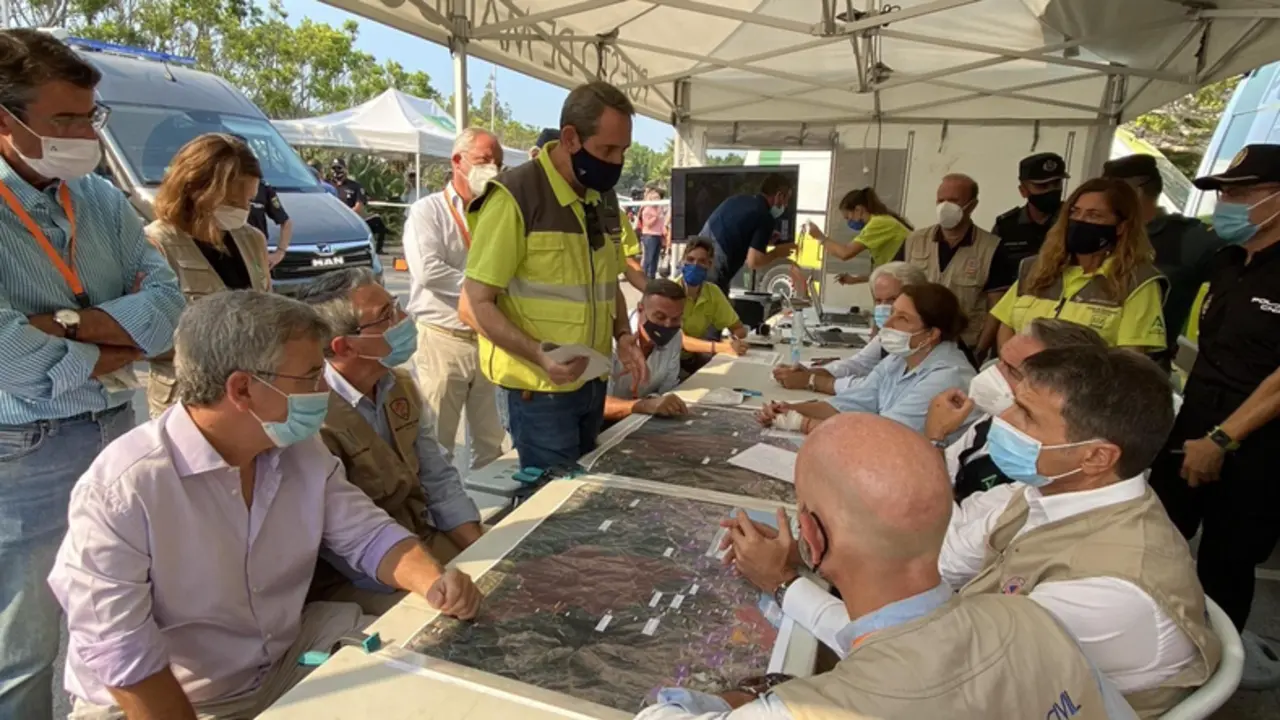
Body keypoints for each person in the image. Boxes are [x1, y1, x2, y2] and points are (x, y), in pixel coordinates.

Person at [48, 290, 481, 719]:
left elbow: (368, 535)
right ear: (242, 388)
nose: (323, 390)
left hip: (280, 662)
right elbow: (122, 657)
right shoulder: (123, 490)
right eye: (310, 377)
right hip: (171, 700)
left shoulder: (298, 450)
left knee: (434, 667)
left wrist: (434, 582)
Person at [740, 346, 1221, 715]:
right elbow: (932, 570)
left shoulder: (1107, 590)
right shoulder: (1045, 495)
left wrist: (785, 583)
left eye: (1025, 415)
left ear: (1097, 456)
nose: (1000, 421)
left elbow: (923, 659)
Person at [639, 415, 1137, 720]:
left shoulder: (819, 709)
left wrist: (748, 698)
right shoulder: (1032, 619)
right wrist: (785, 584)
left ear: (812, 536)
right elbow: (900, 640)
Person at [0, 29, 186, 719]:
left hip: (112, 429)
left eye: (90, 117)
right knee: (23, 650)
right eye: (65, 121)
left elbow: (168, 308)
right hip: (25, 452)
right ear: (5, 120)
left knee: (116, 619)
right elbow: (12, 358)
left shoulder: (100, 199)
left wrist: (65, 326)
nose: (85, 136)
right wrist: (121, 338)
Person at [460, 81, 647, 470]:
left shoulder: (601, 197)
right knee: (553, 498)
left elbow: (607, 282)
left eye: (623, 151)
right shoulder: (515, 196)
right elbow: (474, 304)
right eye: (607, 150)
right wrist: (538, 355)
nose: (616, 162)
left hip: (592, 385)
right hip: (539, 392)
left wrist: (623, 336)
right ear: (570, 138)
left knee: (583, 491)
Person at [1148, 144, 1280, 641]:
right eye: (1223, 192)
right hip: (1196, 419)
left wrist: (1223, 439)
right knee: (1158, 535)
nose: (1227, 203)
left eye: (1242, 193)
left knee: (1227, 561)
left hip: (1258, 444)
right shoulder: (1227, 261)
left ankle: (1215, 659)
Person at [297, 269, 483, 614]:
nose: (403, 319)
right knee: (455, 615)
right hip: (361, 574)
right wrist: (430, 579)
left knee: (510, 577)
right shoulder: (313, 418)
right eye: (386, 316)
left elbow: (438, 478)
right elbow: (346, 541)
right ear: (344, 346)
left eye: (395, 306)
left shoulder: (398, 384)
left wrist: (485, 546)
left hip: (419, 535)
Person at [144, 133, 273, 418]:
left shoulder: (252, 239)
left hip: (248, 396)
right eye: (231, 201)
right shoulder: (156, 243)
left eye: (249, 200)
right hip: (186, 402)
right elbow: (147, 339)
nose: (242, 210)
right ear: (194, 190)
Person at [402, 127, 506, 469]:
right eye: (484, 160)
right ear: (457, 161)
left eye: (498, 163)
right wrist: (484, 288)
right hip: (443, 340)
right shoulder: (428, 211)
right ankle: (438, 505)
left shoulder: (497, 212)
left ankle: (488, 500)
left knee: (491, 441)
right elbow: (428, 270)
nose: (492, 169)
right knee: (437, 442)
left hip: (487, 339)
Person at [757, 283, 975, 440]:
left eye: (902, 318)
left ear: (932, 334)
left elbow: (879, 436)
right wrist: (790, 409)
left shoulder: (947, 378)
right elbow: (850, 404)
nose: (888, 324)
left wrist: (801, 423)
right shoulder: (900, 359)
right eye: (892, 313)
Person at [923, 318, 1107, 503]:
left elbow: (939, 512)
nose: (994, 372)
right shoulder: (989, 421)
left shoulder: (1043, 464)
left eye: (1012, 371)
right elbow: (946, 470)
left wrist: (936, 437)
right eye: (1000, 360)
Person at [990, 177, 1167, 352]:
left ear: (1121, 227)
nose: (1080, 220)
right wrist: (1013, 365)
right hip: (1018, 369)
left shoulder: (1136, 281)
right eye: (1075, 212)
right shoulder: (1036, 267)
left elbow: (1130, 355)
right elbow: (1006, 325)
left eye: (1094, 215)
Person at [1102, 154, 1224, 370]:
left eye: (1110, 193)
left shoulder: (1188, 240)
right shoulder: (1100, 233)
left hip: (1144, 370)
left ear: (1135, 192)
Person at [770, 261, 925, 394]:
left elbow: (875, 388)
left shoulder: (921, 344)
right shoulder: (889, 335)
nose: (883, 308)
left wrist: (811, 380)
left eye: (892, 300)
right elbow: (858, 364)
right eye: (878, 301)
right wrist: (811, 372)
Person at [900, 173, 1001, 352]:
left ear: (972, 205)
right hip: (915, 342)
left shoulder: (991, 248)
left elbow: (997, 309)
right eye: (941, 200)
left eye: (954, 201)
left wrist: (980, 350)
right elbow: (891, 285)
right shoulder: (914, 241)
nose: (945, 206)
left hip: (963, 346)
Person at [605, 278, 688, 421]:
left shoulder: (675, 337)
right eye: (660, 317)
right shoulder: (610, 340)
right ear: (640, 309)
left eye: (675, 319)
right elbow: (598, 404)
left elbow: (667, 389)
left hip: (640, 420)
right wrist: (644, 405)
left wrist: (656, 402)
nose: (667, 325)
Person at [700, 173, 797, 294]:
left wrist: (762, 239)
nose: (786, 205)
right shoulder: (765, 216)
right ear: (779, 196)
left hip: (697, 256)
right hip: (715, 269)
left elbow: (735, 232)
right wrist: (777, 253)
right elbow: (754, 261)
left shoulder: (737, 200)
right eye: (787, 200)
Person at [806, 187, 912, 285]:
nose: (849, 222)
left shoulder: (878, 223)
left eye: (848, 217)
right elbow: (884, 270)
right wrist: (855, 279)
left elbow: (845, 253)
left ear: (858, 210)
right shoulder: (881, 221)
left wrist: (820, 236)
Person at [676, 237, 749, 374]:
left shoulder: (712, 292)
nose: (695, 265)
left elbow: (739, 328)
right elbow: (681, 341)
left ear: (709, 265)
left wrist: (733, 340)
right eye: (690, 260)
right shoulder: (672, 291)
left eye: (701, 261)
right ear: (683, 261)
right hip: (668, 361)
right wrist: (723, 347)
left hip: (690, 359)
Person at [332, 158, 389, 254]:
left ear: (345, 169)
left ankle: (377, 250)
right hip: (331, 220)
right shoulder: (328, 185)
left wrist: (345, 216)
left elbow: (359, 207)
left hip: (352, 219)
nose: (336, 171)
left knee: (378, 222)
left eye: (339, 168)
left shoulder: (355, 186)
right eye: (334, 168)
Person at [637, 184, 669, 279]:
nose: (657, 200)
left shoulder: (659, 209)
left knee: (655, 258)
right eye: (655, 198)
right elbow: (648, 224)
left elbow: (662, 222)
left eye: (658, 198)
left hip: (658, 235)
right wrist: (656, 217)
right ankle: (644, 276)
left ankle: (652, 276)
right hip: (649, 235)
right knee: (648, 258)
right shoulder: (647, 209)